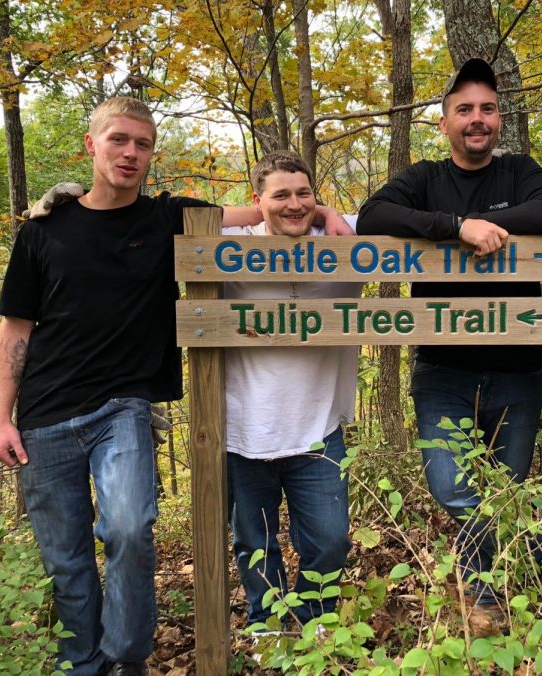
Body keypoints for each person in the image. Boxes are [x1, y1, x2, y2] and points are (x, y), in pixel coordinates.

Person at [0, 97, 350, 675]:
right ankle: (83, 664)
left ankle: (126, 660)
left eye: (143, 143)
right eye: (118, 140)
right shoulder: (43, 231)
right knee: (66, 561)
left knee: (130, 529)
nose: (130, 153)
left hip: (123, 407)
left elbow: (261, 210)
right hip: (44, 416)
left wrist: (323, 207)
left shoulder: (168, 219)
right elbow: (15, 331)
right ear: (92, 145)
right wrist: (0, 417)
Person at [356, 59, 542, 610]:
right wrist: (456, 227)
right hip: (442, 367)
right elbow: (373, 215)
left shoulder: (520, 171)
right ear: (444, 123)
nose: (478, 119)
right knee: (452, 486)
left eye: (488, 109)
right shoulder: (425, 179)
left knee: (505, 488)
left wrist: (493, 227)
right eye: (465, 110)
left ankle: (485, 588)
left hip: (519, 367)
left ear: (499, 119)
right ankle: (530, 546)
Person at [222, 151, 362, 632]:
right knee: (254, 542)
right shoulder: (227, 243)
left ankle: (314, 616)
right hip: (243, 428)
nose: (295, 204)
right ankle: (265, 623)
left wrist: (330, 214)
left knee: (328, 539)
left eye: (305, 194)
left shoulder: (346, 236)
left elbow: (410, 217)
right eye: (280, 195)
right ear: (257, 200)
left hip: (319, 428)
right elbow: (157, 215)